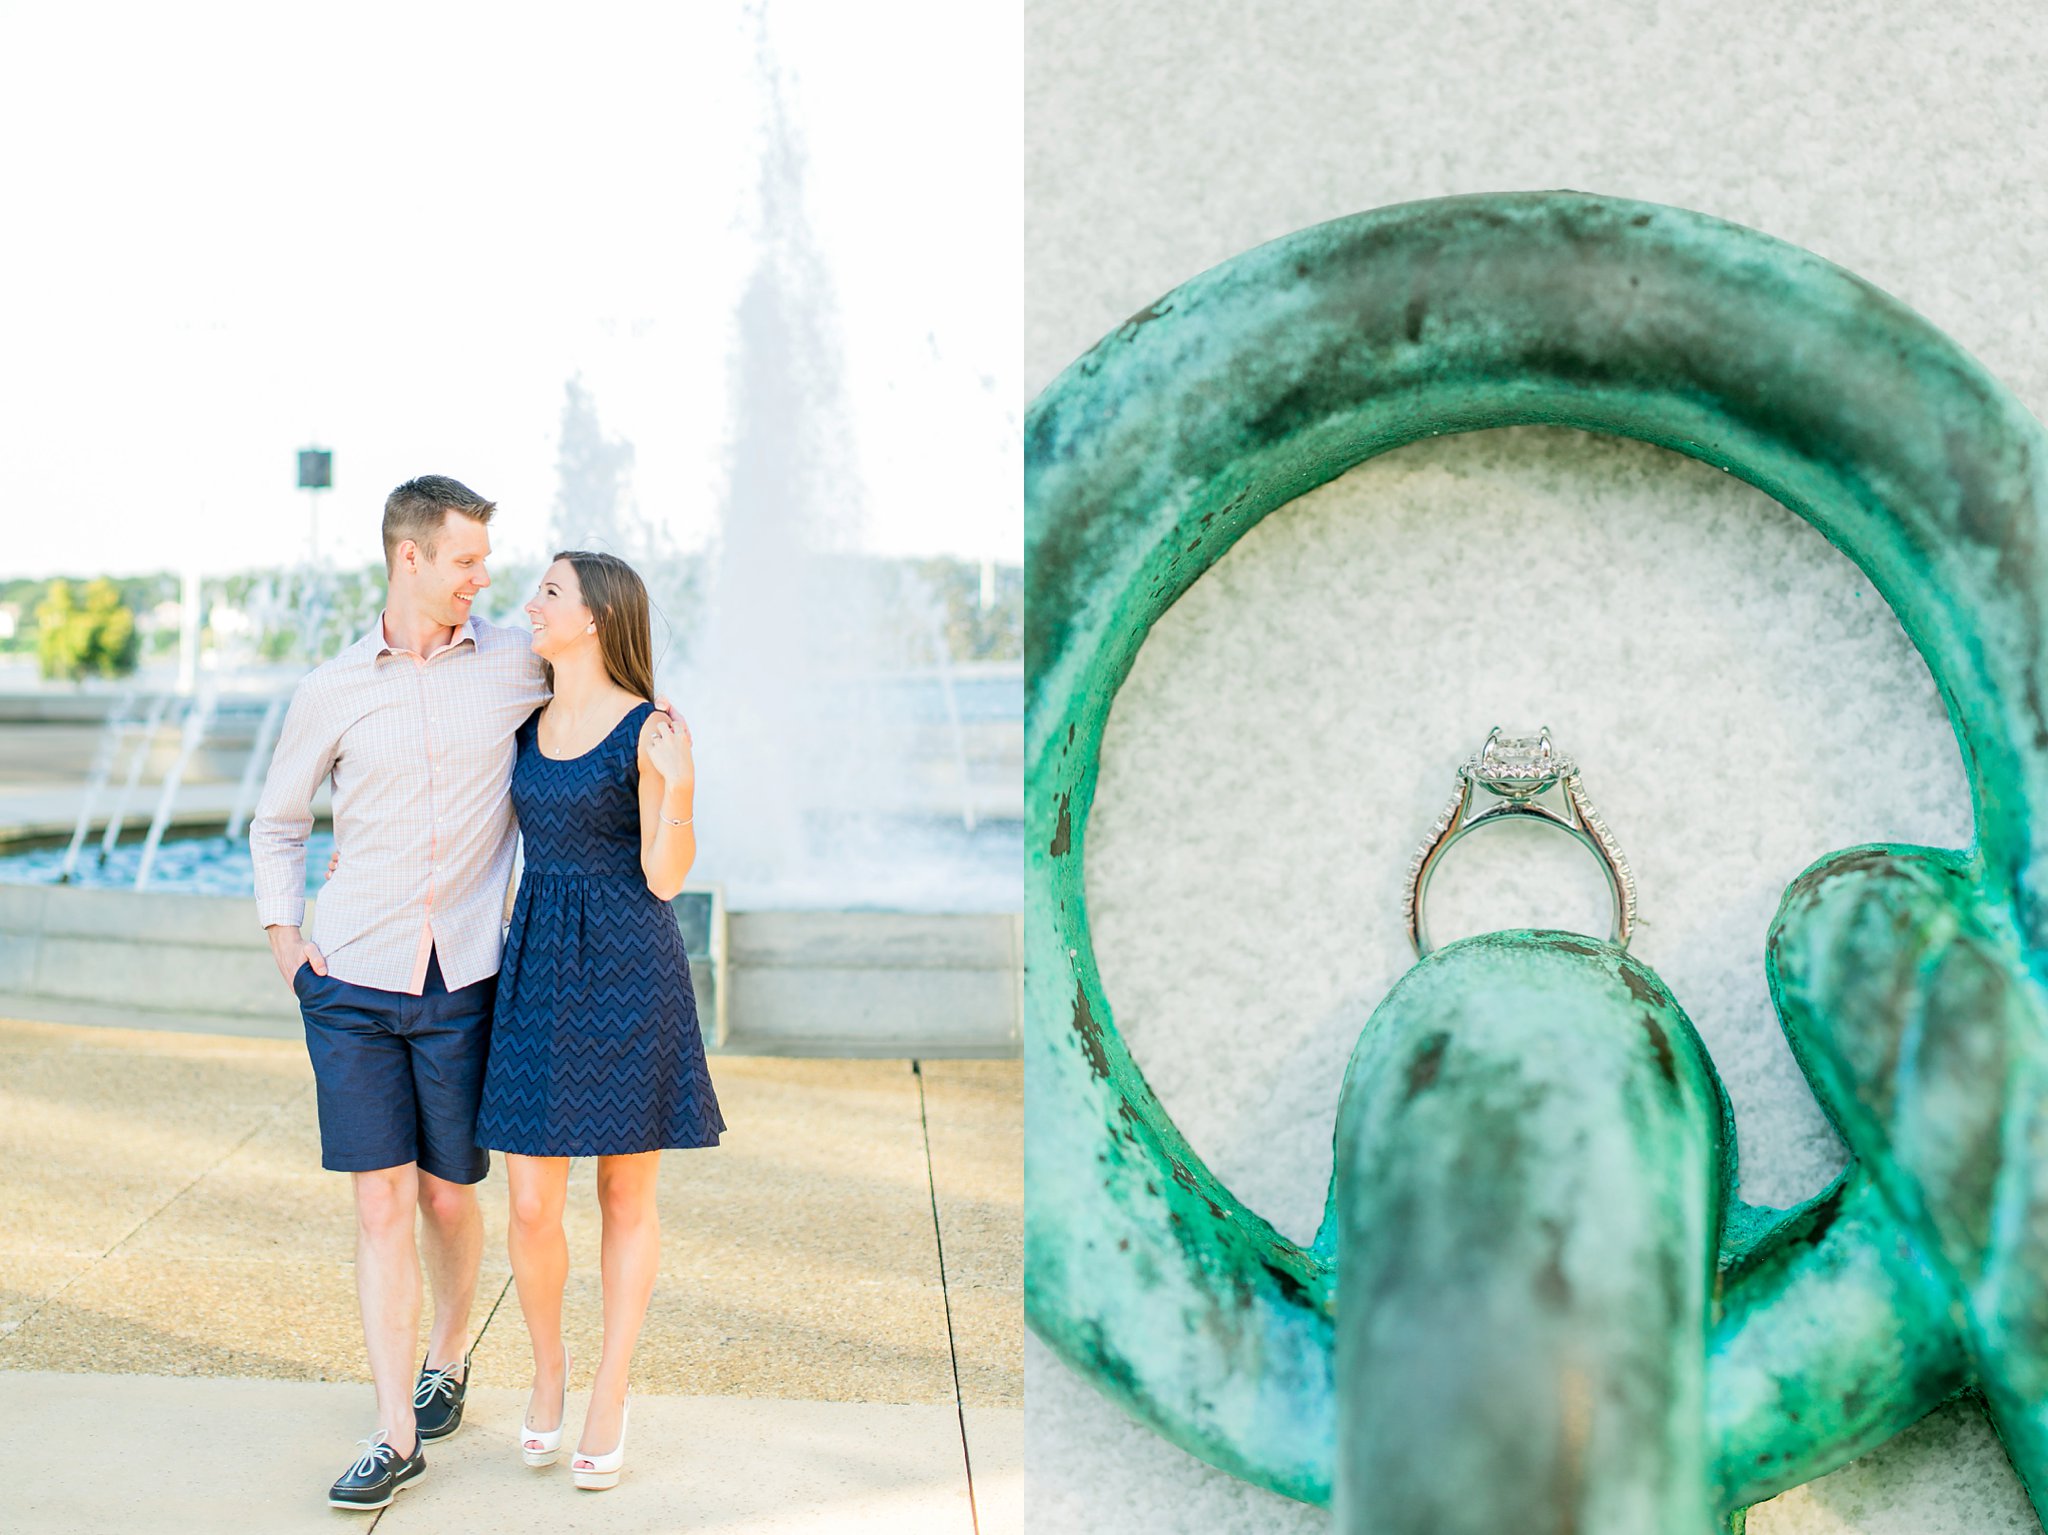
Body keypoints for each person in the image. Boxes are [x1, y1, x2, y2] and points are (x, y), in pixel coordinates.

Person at [471, 549, 724, 1492]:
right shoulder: (526, 722)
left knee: (625, 1194)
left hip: (629, 963)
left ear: (597, 616)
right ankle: (550, 1367)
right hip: (538, 963)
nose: (529, 603)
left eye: (548, 591)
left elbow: (665, 877)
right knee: (532, 1200)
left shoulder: (647, 729)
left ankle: (610, 1386)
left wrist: (683, 785)